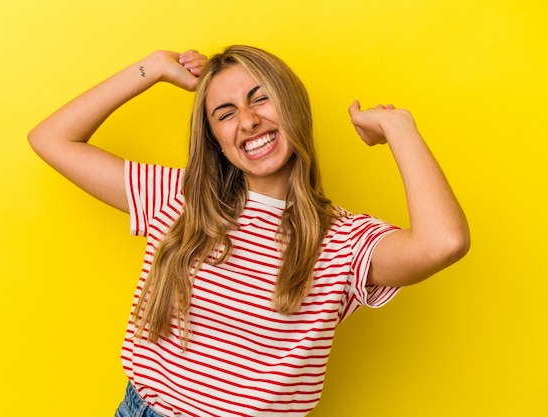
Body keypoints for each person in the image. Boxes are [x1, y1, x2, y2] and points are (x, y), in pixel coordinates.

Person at [28, 45, 470, 417]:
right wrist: (152, 68)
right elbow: (51, 139)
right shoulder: (179, 198)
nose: (248, 120)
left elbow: (443, 242)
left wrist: (399, 128)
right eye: (225, 113)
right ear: (215, 139)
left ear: (292, 106)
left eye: (260, 99)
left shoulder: (342, 241)